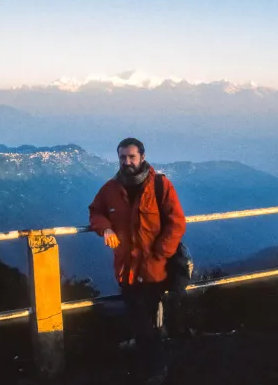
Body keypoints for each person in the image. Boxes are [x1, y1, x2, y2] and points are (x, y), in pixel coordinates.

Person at [89, 137, 186, 384]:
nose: (127, 162)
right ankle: (148, 359)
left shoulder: (160, 186)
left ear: (142, 157)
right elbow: (96, 210)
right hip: (126, 269)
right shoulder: (111, 189)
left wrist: (160, 253)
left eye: (131, 157)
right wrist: (105, 229)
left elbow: (177, 222)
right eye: (122, 157)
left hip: (154, 269)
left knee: (149, 322)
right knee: (138, 317)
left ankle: (156, 370)